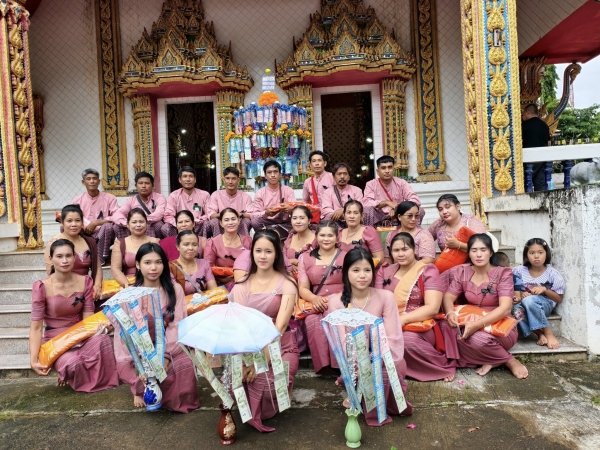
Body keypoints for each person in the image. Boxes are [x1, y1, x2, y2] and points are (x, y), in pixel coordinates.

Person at [326, 248, 413, 426]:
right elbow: (342, 343)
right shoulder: (336, 302)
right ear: (346, 272)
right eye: (356, 270)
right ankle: (356, 390)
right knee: (364, 377)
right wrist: (360, 367)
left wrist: (373, 363)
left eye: (367, 270)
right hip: (355, 363)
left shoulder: (386, 297)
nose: (362, 275)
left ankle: (366, 394)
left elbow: (393, 338)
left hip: (386, 359)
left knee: (387, 373)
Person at [114, 243, 200, 412]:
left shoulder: (175, 289)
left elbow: (176, 325)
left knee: (184, 364)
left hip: (169, 347)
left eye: (158, 262)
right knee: (141, 375)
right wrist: (140, 363)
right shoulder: (129, 295)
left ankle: (156, 391)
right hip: (140, 352)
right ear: (137, 265)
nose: (153, 268)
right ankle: (138, 389)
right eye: (147, 262)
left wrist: (165, 357)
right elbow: (125, 334)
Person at [230, 229, 299, 432]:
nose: (262, 256)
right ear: (251, 253)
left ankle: (286, 387)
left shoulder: (287, 283)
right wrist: (245, 363)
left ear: (276, 254)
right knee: (237, 386)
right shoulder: (242, 285)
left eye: (268, 251)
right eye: (258, 251)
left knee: (269, 388)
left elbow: (280, 327)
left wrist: (260, 363)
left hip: (280, 347)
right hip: (250, 346)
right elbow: (240, 326)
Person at [30, 239, 118, 392]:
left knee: (103, 340)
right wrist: (33, 360)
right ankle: (68, 370)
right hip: (57, 341)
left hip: (80, 334)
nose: (64, 260)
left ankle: (97, 379)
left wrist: (101, 328)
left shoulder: (86, 281)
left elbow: (88, 319)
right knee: (73, 364)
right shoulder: (41, 286)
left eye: (68, 256)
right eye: (59, 256)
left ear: (75, 257)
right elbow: (36, 328)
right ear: (51, 259)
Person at [441, 234, 529, 379]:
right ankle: (492, 359)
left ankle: (508, 360)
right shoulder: (463, 272)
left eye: (483, 250)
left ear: (491, 252)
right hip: (470, 318)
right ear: (469, 253)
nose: (479, 254)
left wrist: (477, 325)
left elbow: (505, 308)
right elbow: (448, 297)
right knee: (444, 327)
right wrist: (450, 313)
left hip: (499, 324)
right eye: (474, 250)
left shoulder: (503, 273)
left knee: (478, 340)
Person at [376, 233, 456, 382]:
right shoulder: (384, 271)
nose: (400, 254)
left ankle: (436, 367)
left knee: (406, 342)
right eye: (396, 250)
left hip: (419, 325)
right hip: (388, 323)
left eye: (405, 249)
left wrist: (403, 320)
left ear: (414, 250)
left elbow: (432, 308)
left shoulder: (427, 270)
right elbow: (377, 302)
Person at [297, 221, 346, 375]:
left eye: (330, 235)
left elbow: (353, 284)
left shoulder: (346, 257)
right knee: (312, 320)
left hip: (341, 301)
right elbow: (302, 288)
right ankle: (324, 366)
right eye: (322, 235)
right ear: (316, 237)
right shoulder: (305, 258)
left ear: (337, 237)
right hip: (316, 302)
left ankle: (340, 364)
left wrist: (334, 300)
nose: (326, 239)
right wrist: (314, 299)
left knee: (332, 315)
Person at [97, 171, 167, 264]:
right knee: (117, 226)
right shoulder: (131, 200)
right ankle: (126, 252)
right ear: (136, 185)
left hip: (152, 226)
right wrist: (128, 223)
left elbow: (159, 214)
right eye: (140, 183)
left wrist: (142, 221)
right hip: (134, 229)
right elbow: (118, 214)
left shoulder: (159, 198)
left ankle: (157, 252)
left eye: (147, 183)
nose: (143, 186)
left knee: (159, 225)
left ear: (153, 185)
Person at [512, 238, 564, 349]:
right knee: (514, 308)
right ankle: (539, 333)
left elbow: (559, 298)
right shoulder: (518, 271)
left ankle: (548, 333)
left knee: (529, 300)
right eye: (532, 253)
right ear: (526, 255)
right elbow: (511, 287)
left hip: (544, 306)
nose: (536, 256)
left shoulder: (553, 274)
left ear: (546, 254)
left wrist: (545, 290)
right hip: (525, 303)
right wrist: (521, 294)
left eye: (540, 252)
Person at [44, 205, 102, 302]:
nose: (74, 224)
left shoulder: (89, 241)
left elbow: (98, 267)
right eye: (69, 221)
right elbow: (51, 272)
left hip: (88, 289)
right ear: (62, 222)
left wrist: (97, 285)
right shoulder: (54, 243)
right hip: (64, 290)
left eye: (77, 220)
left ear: (82, 222)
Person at [363, 155, 423, 227]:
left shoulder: (401, 183)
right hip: (378, 217)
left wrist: (398, 209)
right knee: (367, 210)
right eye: (383, 168)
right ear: (378, 171)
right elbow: (366, 203)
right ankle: (370, 233)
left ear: (394, 169)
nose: (387, 171)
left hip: (398, 216)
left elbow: (415, 200)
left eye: (390, 167)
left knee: (419, 210)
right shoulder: (371, 184)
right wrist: (387, 203)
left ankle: (412, 233)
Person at [111, 208, 160, 288]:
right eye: (134, 222)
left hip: (152, 283)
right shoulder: (120, 244)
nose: (138, 225)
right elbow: (115, 269)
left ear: (146, 223)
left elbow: (161, 265)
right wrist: (127, 285)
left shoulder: (156, 242)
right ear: (128, 225)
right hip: (129, 284)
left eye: (141, 222)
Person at [204, 208, 253, 287]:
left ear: (239, 221)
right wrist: (223, 279)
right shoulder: (213, 243)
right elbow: (208, 268)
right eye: (226, 220)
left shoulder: (248, 241)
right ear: (221, 223)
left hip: (246, 282)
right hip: (222, 284)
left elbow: (255, 264)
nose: (230, 223)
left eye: (233, 219)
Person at [249, 160, 296, 238]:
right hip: (267, 222)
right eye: (269, 172)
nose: (273, 175)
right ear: (265, 175)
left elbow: (296, 209)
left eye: (275, 172)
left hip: (285, 222)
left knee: (298, 220)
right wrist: (266, 213)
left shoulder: (288, 190)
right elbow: (255, 214)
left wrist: (291, 209)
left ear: (280, 174)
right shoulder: (260, 193)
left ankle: (285, 237)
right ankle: (267, 237)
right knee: (255, 221)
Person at [161, 166, 210, 238]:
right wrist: (179, 223)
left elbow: (209, 213)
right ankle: (176, 243)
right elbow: (168, 215)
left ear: (195, 180)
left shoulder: (204, 195)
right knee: (165, 227)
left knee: (207, 224)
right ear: (180, 180)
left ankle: (202, 243)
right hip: (179, 228)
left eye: (191, 176)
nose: (188, 179)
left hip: (198, 226)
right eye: (185, 176)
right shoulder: (173, 195)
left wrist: (197, 221)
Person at [205, 167, 252, 237]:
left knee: (246, 221)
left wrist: (240, 214)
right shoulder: (216, 195)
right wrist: (226, 215)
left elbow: (251, 214)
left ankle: (244, 242)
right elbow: (211, 215)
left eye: (233, 178)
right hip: (222, 225)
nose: (230, 182)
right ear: (223, 180)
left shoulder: (246, 196)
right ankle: (218, 242)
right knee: (214, 221)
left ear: (238, 180)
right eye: (227, 178)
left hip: (238, 224)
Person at [71, 168, 118, 237]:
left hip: (103, 232)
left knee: (107, 226)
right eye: (88, 179)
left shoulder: (110, 198)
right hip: (83, 231)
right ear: (83, 182)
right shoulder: (77, 200)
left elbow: (116, 217)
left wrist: (96, 223)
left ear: (99, 182)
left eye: (94, 178)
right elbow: (71, 216)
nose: (92, 181)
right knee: (65, 227)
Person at [169, 231, 217, 295]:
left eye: (194, 245)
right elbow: (174, 296)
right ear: (177, 246)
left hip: (205, 300)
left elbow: (213, 290)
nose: (191, 248)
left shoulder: (204, 263)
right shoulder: (171, 268)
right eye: (186, 244)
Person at [522, 104, 551, 191]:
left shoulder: (524, 125)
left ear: (527, 113)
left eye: (523, 114)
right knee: (540, 186)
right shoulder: (544, 125)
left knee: (524, 183)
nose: (522, 116)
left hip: (528, 159)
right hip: (541, 160)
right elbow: (548, 143)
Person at [283, 205, 316, 275]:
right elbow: (281, 260)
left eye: (302, 218)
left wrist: (296, 262)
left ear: (309, 220)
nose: (298, 221)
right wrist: (290, 264)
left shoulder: (318, 238)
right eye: (294, 218)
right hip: (290, 278)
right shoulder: (289, 239)